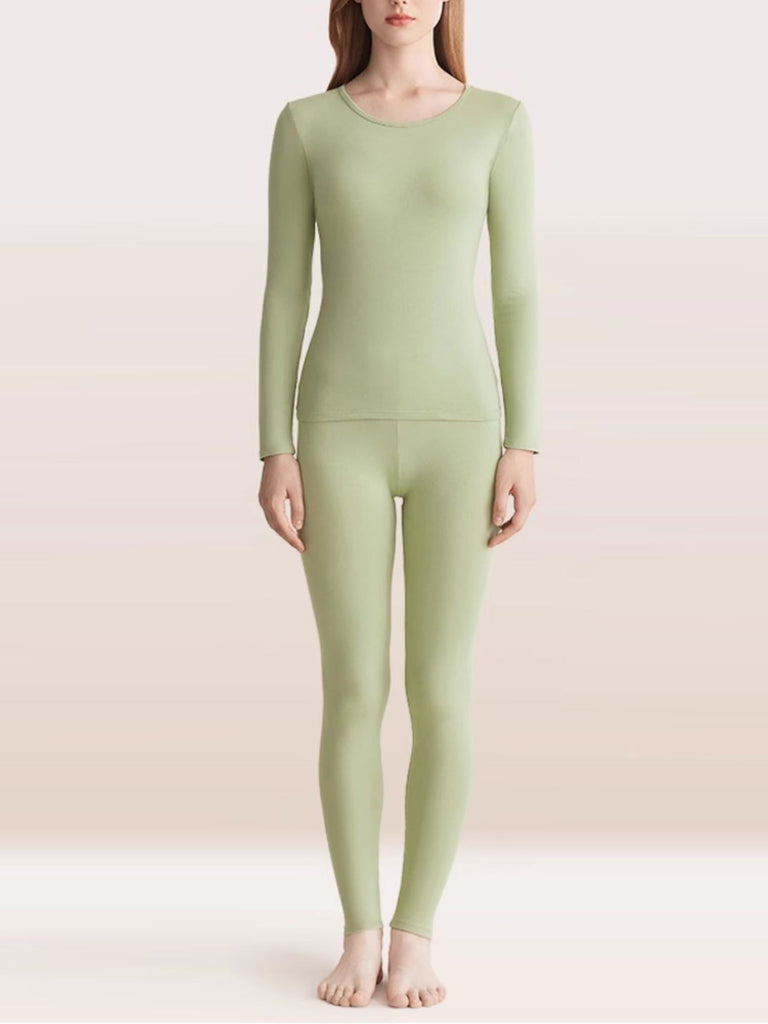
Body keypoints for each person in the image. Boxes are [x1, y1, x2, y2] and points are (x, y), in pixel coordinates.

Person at [257, 0, 540, 1009]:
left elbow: (517, 292)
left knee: (441, 687)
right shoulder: (308, 126)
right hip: (338, 432)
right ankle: (360, 930)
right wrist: (275, 446)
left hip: (463, 435)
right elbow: (284, 291)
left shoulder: (498, 120)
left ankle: (415, 933)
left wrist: (523, 440)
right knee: (352, 688)